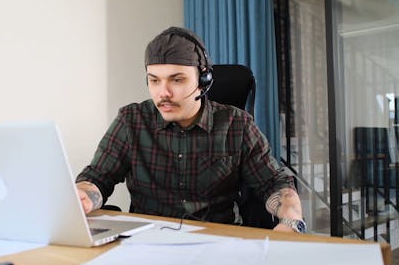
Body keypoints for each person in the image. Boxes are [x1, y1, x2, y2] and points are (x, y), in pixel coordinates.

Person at [76, 26, 305, 233]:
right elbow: (97, 178)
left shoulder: (237, 125)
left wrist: (291, 221)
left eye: (176, 80)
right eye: (154, 81)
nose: (163, 92)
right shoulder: (131, 121)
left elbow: (276, 184)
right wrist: (84, 196)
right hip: (148, 245)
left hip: (218, 242)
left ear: (203, 79)